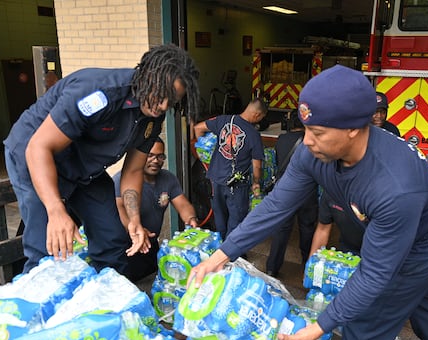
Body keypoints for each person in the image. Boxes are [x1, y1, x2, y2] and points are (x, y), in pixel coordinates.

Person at [189, 65, 428, 340]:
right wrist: (220, 255)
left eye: (317, 132)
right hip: (394, 232)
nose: (307, 141)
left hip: (425, 245)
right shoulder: (313, 151)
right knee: (417, 297)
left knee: (364, 328)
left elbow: (374, 275)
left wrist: (318, 328)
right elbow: (277, 206)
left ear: (354, 130)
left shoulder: (394, 186)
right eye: (305, 129)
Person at [4, 43, 200, 278]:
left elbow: (134, 171)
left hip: (82, 166)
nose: (164, 106)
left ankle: (105, 303)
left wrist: (134, 220)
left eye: (174, 101)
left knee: (113, 237)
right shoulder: (99, 92)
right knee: (48, 249)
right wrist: (56, 211)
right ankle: (35, 308)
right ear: (148, 75)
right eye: (164, 96)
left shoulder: (151, 117)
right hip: (35, 155)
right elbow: (39, 147)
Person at [111, 138, 198, 281]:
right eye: (150, 155)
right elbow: (118, 207)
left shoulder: (168, 178)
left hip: (151, 244)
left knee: (155, 280)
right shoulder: (121, 179)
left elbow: (182, 204)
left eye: (160, 156)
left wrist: (191, 219)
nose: (156, 160)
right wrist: (133, 229)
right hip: (126, 245)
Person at [193, 98, 267, 240]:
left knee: (219, 216)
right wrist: (256, 183)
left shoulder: (223, 120)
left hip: (215, 178)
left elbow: (198, 128)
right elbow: (257, 165)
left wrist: (203, 153)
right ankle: (232, 254)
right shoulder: (253, 134)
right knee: (237, 219)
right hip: (237, 184)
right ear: (257, 115)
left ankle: (220, 248)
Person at [265, 112, 318, 276]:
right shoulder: (311, 141)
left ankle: (272, 267)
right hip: (307, 191)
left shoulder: (281, 139)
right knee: (307, 228)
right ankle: (306, 263)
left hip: (285, 190)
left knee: (281, 229)